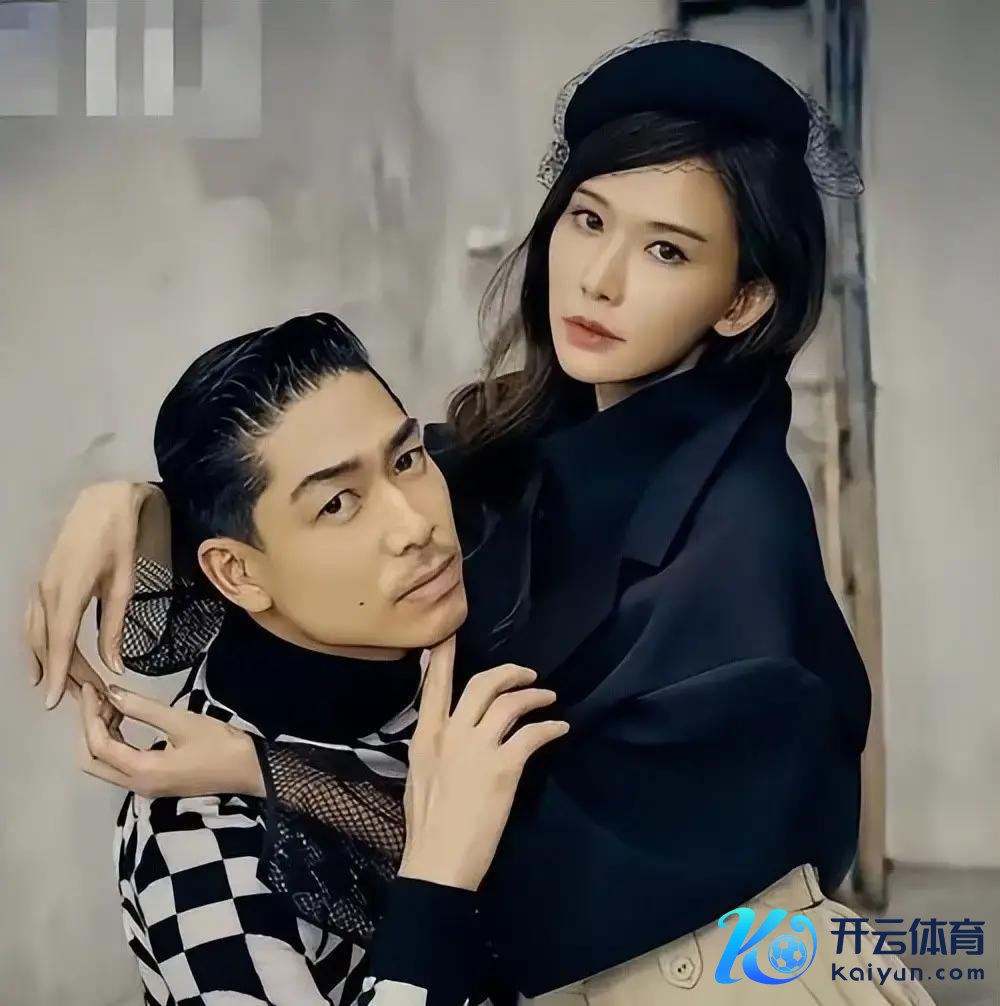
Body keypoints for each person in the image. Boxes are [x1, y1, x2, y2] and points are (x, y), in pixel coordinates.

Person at [28, 33, 933, 1006]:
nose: (599, 278)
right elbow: (349, 490)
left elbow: (516, 879)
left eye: (667, 249)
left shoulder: (725, 548)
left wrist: (267, 770)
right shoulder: (545, 440)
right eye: (588, 219)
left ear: (742, 300)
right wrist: (140, 504)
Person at [28, 313, 568, 1005]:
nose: (416, 526)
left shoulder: (460, 594)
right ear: (237, 574)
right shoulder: (198, 843)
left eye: (405, 460)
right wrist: (435, 879)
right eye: (338, 503)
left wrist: (138, 502)